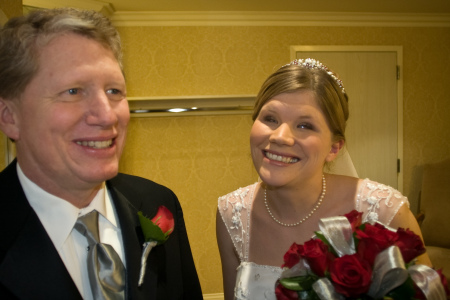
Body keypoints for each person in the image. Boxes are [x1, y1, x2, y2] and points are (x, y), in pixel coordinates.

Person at [0, 7, 202, 300]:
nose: (107, 116)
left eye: (114, 91)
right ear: (9, 117)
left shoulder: (158, 203)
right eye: (73, 91)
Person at [216, 58, 431, 300]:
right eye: (270, 118)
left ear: (334, 148)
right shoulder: (232, 214)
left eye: (305, 125)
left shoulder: (384, 212)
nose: (280, 136)